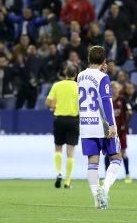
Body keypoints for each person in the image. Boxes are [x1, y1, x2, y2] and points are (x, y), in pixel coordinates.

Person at [77, 46, 123, 209]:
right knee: (116, 158)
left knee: (92, 162)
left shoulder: (80, 76)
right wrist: (111, 123)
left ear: (89, 58)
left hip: (86, 125)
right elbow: (105, 100)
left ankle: (97, 200)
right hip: (102, 125)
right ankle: (104, 189)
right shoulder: (103, 77)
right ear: (104, 60)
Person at [45, 64, 79, 189]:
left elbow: (48, 102)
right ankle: (67, 181)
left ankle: (59, 172)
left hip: (59, 119)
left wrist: (54, 107)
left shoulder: (57, 85)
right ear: (75, 75)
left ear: (65, 74)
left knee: (58, 148)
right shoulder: (78, 87)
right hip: (74, 120)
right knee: (70, 152)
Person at [111, 81, 132, 183]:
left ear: (119, 89)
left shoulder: (123, 100)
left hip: (121, 131)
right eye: (112, 88)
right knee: (109, 153)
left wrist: (125, 125)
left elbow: (130, 113)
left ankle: (127, 174)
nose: (114, 90)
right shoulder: (107, 100)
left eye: (116, 88)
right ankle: (108, 176)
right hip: (110, 131)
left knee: (123, 152)